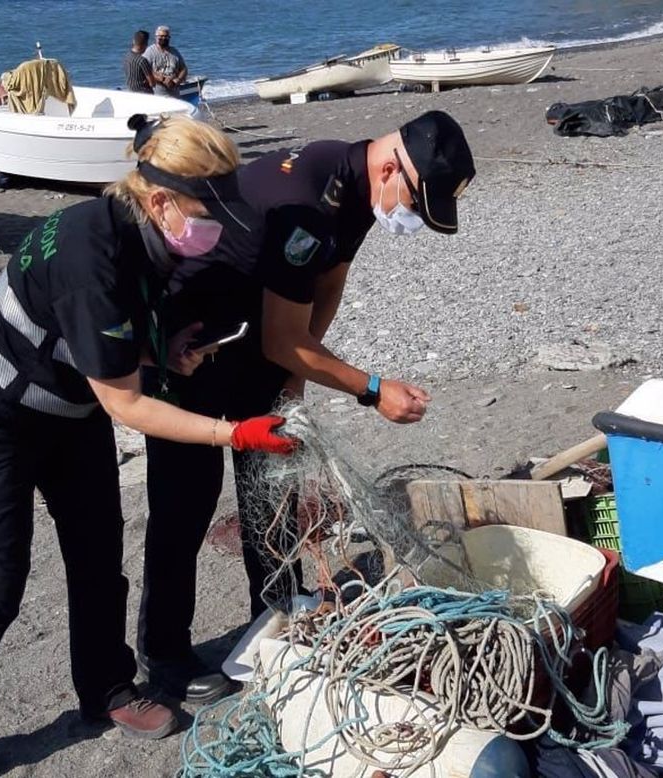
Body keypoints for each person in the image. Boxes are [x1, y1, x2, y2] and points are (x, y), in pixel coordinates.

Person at [0, 115, 297, 778]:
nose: (217, 227)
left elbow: (112, 346)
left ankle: (107, 689)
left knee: (97, 559)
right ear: (160, 199)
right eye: (208, 210)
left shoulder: (135, 231)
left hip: (69, 407)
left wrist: (159, 350)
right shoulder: (92, 254)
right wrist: (235, 432)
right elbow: (128, 404)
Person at [134, 110, 476, 703]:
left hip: (253, 342)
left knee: (273, 489)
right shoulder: (310, 203)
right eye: (417, 205)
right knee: (183, 506)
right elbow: (281, 339)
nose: (413, 219)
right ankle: (164, 654)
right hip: (191, 349)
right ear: (392, 166)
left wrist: (294, 382)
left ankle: (279, 612)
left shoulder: (356, 180)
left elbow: (329, 284)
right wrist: (371, 390)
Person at [143, 25, 187, 97]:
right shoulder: (149, 52)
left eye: (166, 36)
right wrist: (162, 79)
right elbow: (144, 69)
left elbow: (184, 69)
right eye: (161, 36)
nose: (163, 38)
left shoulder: (174, 52)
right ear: (156, 37)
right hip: (157, 94)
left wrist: (178, 80)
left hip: (174, 94)